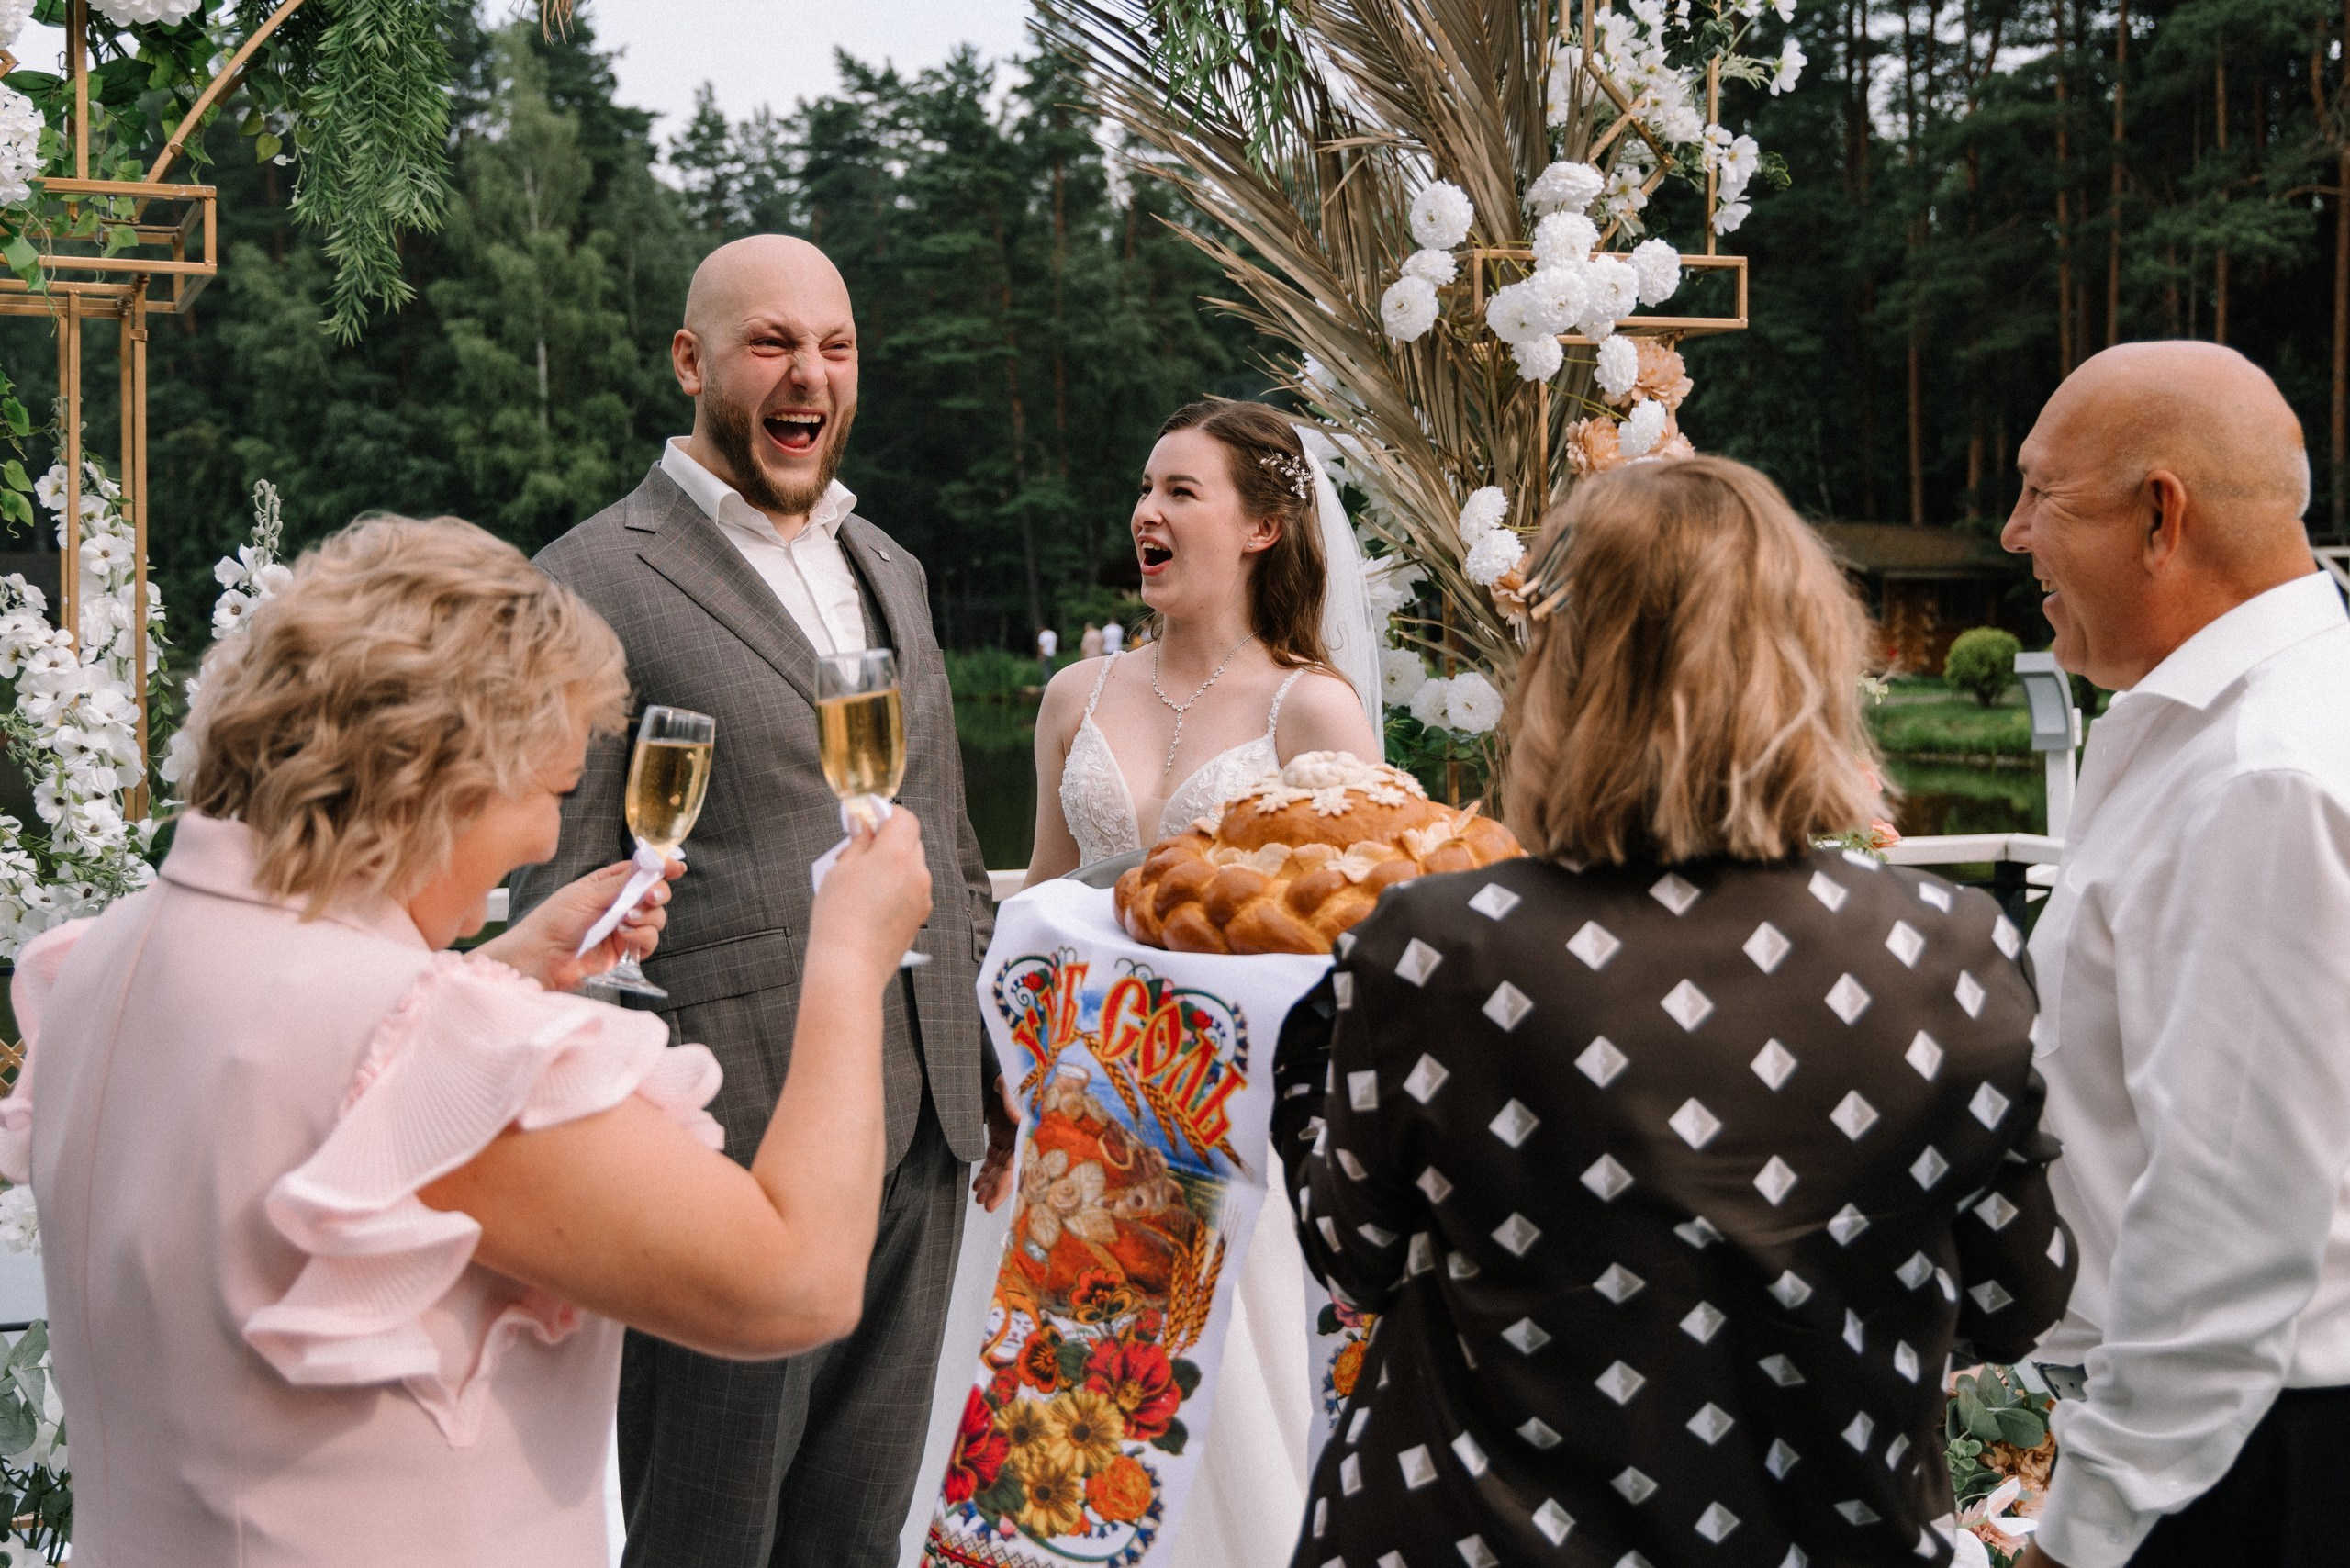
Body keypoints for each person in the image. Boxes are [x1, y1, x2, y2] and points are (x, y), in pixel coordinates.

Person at [0, 517, 936, 1565]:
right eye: (547, 794)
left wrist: (500, 964)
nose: (544, 837)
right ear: (437, 771)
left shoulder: (99, 959)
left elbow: (303, 1083)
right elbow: (794, 1282)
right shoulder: (422, 1043)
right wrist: (850, 954)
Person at [1274, 456, 2078, 1568]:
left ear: (1563, 675)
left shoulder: (1436, 947)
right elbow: (2014, 1294)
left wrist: (1306, 1038)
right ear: (1813, 662)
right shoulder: (1952, 948)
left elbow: (1349, 1251)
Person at [509, 234, 1014, 1568]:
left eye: (836, 347)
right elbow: (547, 882)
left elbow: (946, 837)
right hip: (725, 1152)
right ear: (692, 362)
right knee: (706, 1532)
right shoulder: (586, 579)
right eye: (773, 343)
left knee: (857, 1530)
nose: (811, 375)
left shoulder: (891, 565)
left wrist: (991, 1055)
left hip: (925, 1126)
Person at [1996, 343, 2350, 1568]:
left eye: (2045, 493)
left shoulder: (2265, 772)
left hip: (2247, 1462)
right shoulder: (2218, 728)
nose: (2012, 531)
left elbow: (2231, 1212)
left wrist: (2091, 1525)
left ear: (2162, 515)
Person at [1025, 399, 1380, 884]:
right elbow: (1045, 885)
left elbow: (1364, 903)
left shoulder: (1314, 706)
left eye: (1180, 493)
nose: (1146, 512)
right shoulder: (1073, 694)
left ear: (1262, 528)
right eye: (1146, 489)